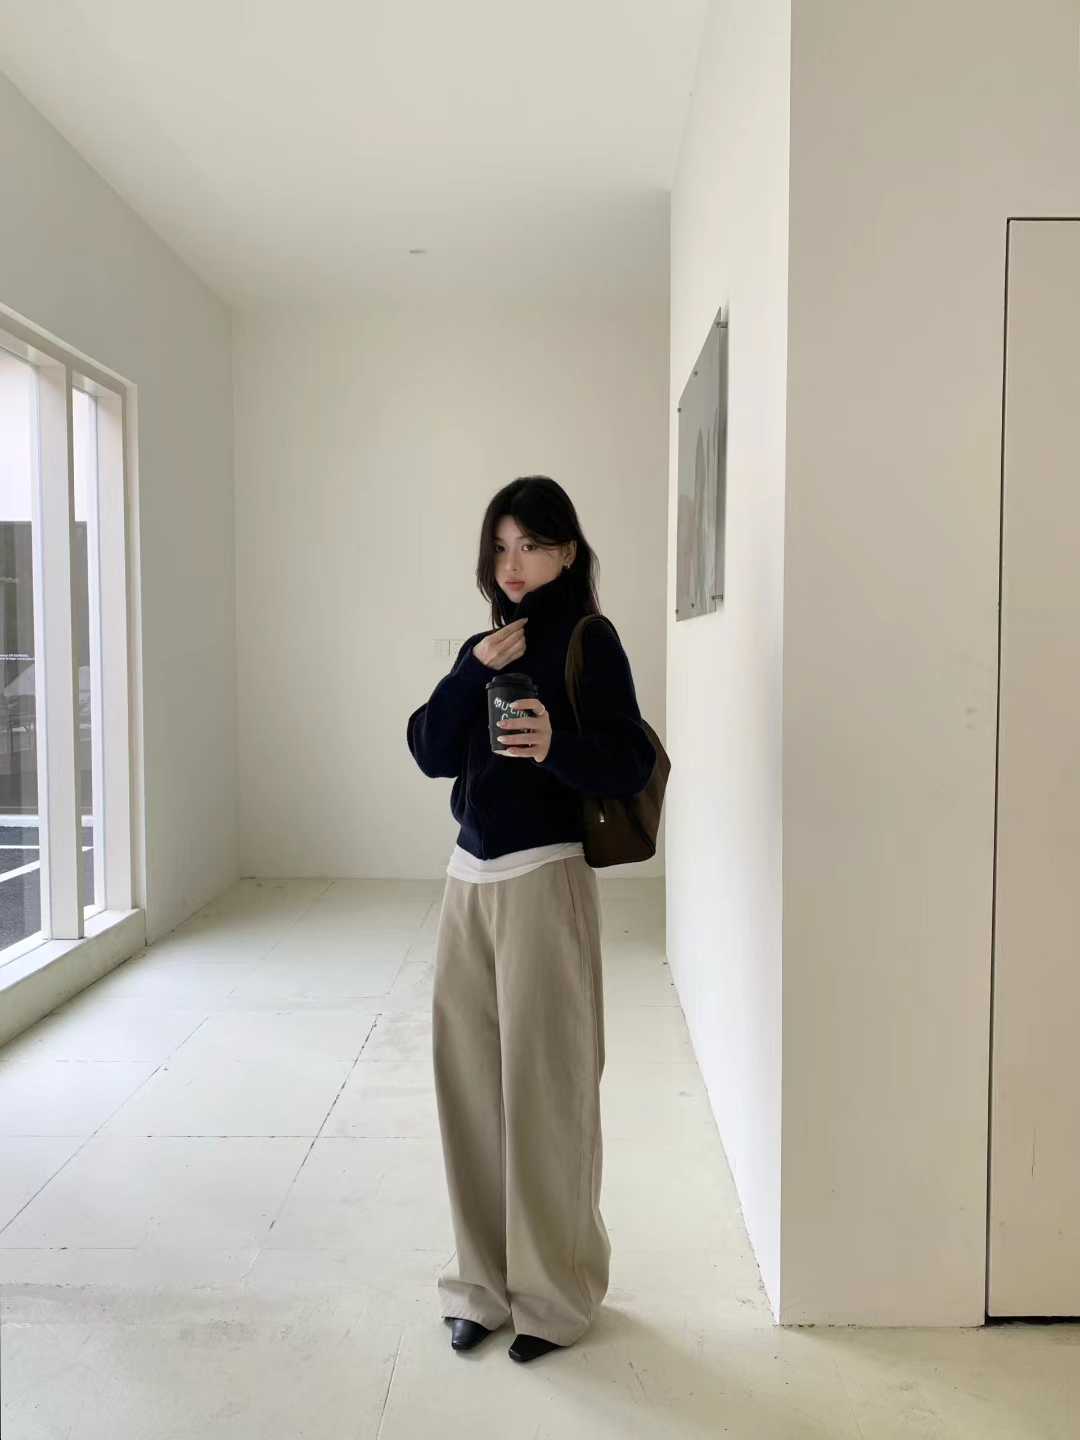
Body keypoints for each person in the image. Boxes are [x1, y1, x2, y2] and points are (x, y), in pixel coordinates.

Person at [405, 475, 655, 1364]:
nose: (514, 563)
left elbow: (630, 760)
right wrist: (468, 672)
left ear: (567, 552)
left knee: (548, 1095)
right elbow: (429, 751)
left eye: (533, 545)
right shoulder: (484, 646)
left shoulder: (589, 638)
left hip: (546, 881)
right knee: (469, 1091)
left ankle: (553, 1296)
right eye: (502, 546)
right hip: (466, 881)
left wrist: (555, 746)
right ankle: (480, 1284)